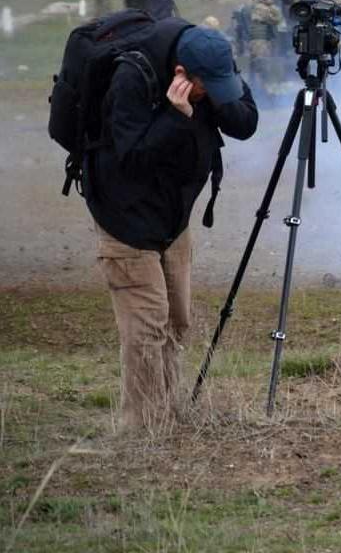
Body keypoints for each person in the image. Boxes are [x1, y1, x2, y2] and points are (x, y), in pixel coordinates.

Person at [86, 25, 258, 429]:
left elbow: (245, 124)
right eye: (206, 87)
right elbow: (130, 161)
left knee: (176, 320)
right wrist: (174, 116)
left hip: (173, 218)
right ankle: (144, 429)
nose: (213, 93)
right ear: (181, 72)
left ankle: (168, 412)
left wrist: (221, 96)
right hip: (125, 219)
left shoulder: (212, 63)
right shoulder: (131, 78)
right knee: (147, 328)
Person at [244, 0, 289, 102]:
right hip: (259, 41)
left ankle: (262, 94)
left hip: (262, 41)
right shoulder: (259, 6)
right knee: (263, 67)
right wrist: (272, 6)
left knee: (259, 67)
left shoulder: (257, 5)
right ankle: (265, 95)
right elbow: (276, 19)